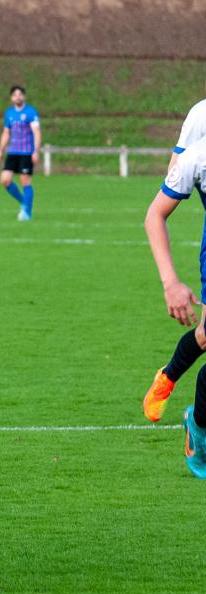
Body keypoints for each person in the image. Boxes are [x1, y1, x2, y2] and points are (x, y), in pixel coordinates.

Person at [140, 135, 206, 478]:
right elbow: (156, 214)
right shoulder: (199, 142)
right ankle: (199, 424)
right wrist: (171, 283)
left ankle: (193, 413)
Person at [0, 85, 40, 221]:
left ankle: (27, 213)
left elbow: (36, 132)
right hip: (13, 152)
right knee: (5, 180)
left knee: (25, 181)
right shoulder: (9, 113)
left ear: (24, 97)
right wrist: (0, 150)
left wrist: (36, 151)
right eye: (15, 95)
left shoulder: (31, 112)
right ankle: (23, 202)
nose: (17, 97)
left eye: (20, 94)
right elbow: (6, 133)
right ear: (11, 98)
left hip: (26, 152)